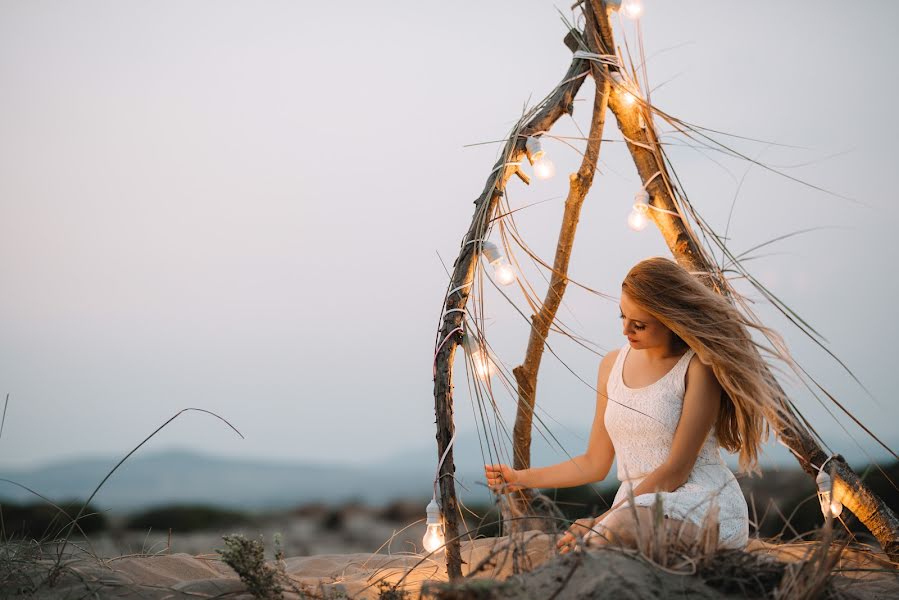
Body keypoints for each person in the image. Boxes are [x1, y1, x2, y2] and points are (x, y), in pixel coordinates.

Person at [484, 257, 793, 553]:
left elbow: (676, 470)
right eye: (622, 316)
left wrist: (601, 522)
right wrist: (521, 478)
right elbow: (595, 462)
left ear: (670, 320)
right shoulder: (610, 366)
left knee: (618, 532)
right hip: (633, 510)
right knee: (610, 535)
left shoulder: (698, 368)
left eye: (639, 324)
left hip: (700, 503)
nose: (625, 330)